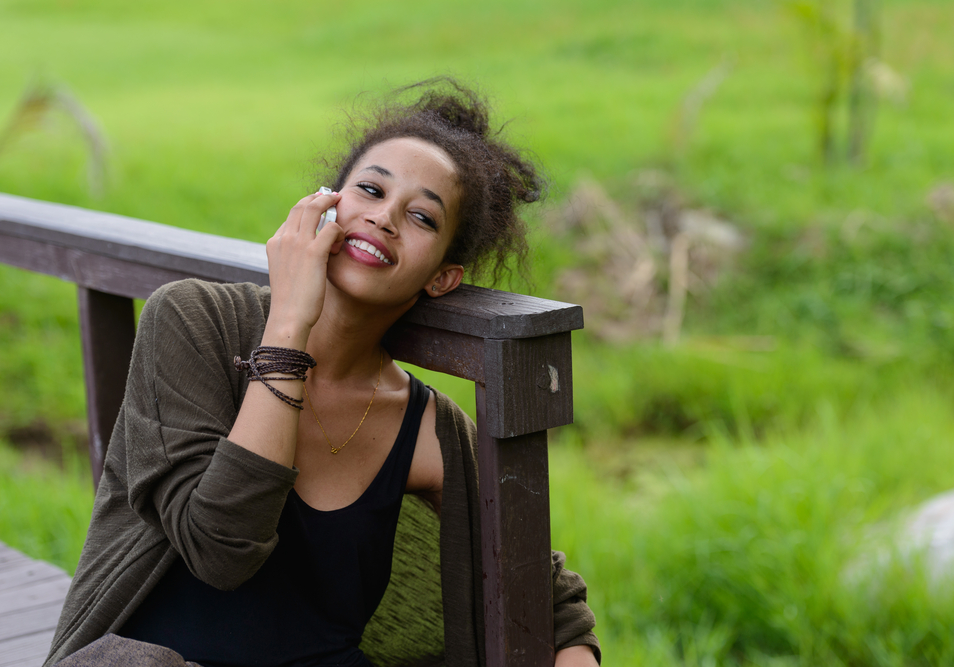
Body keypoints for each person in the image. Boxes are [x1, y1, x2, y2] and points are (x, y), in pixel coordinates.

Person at [44, 79, 600, 667]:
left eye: (421, 217)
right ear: (326, 203)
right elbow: (222, 551)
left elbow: (545, 593)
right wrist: (288, 325)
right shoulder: (194, 319)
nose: (384, 218)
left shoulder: (430, 432)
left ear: (441, 278)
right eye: (370, 189)